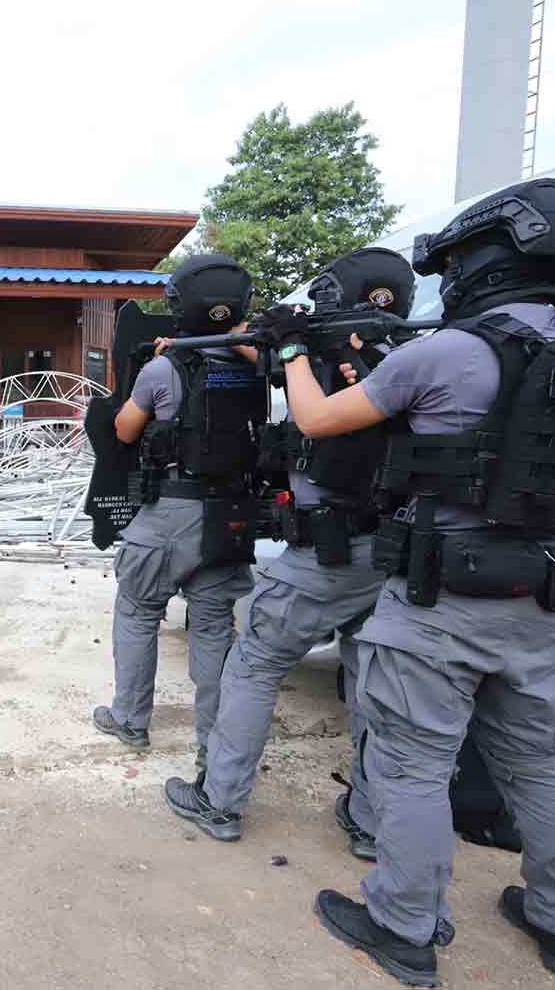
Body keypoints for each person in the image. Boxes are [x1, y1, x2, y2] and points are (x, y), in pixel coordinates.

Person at [264, 178, 555, 987]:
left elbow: (316, 420)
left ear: (489, 257)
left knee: (412, 766)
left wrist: (294, 350)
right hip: (547, 594)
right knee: (542, 770)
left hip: (444, 595)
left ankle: (403, 926)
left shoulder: (451, 350)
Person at [163, 248, 415, 860]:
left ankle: (219, 800)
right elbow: (270, 357)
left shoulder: (323, 363)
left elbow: (308, 403)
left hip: (326, 551)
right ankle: (367, 819)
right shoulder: (411, 358)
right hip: (388, 552)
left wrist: (293, 345)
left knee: (254, 664)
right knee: (370, 684)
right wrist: (255, 341)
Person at [92, 255, 264, 764]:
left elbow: (124, 430)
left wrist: (153, 374)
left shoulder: (165, 366)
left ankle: (130, 720)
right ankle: (212, 745)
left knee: (138, 611)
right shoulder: (264, 368)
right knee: (213, 629)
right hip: (230, 514)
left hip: (169, 511)